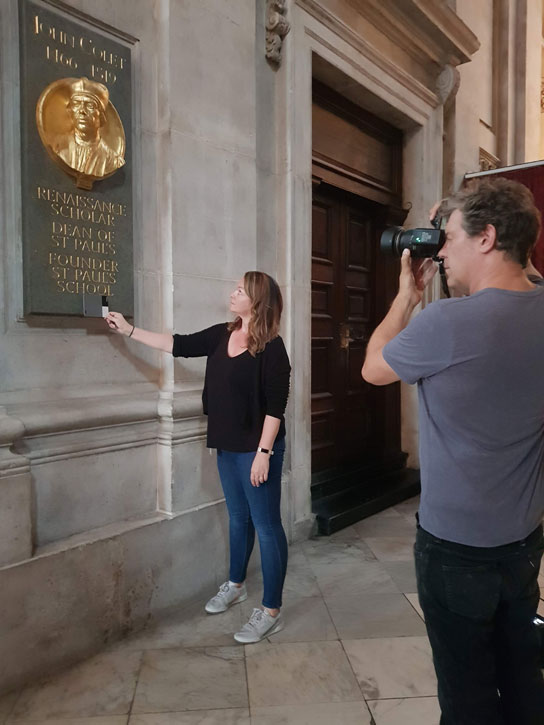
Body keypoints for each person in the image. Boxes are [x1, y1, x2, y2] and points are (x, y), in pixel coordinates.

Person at [362, 178, 544, 724]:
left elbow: (372, 367)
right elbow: (528, 275)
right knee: (523, 679)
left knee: (466, 694)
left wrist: (407, 297)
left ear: (486, 238)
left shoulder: (446, 323)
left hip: (455, 550)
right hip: (522, 542)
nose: (440, 250)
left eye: (449, 238)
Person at [105, 271, 290, 644]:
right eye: (235, 286)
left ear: (257, 300)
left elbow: (275, 408)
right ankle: (236, 585)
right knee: (238, 518)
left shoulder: (273, 347)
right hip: (227, 446)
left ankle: (271, 610)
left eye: (240, 289)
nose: (233, 292)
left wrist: (264, 454)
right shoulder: (222, 333)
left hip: (257, 451)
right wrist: (128, 330)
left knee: (267, 526)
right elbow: (179, 344)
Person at [53, 77, 125, 178]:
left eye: (90, 105)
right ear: (70, 111)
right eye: (76, 104)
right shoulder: (58, 146)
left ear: (101, 115)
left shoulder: (112, 160)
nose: (82, 110)